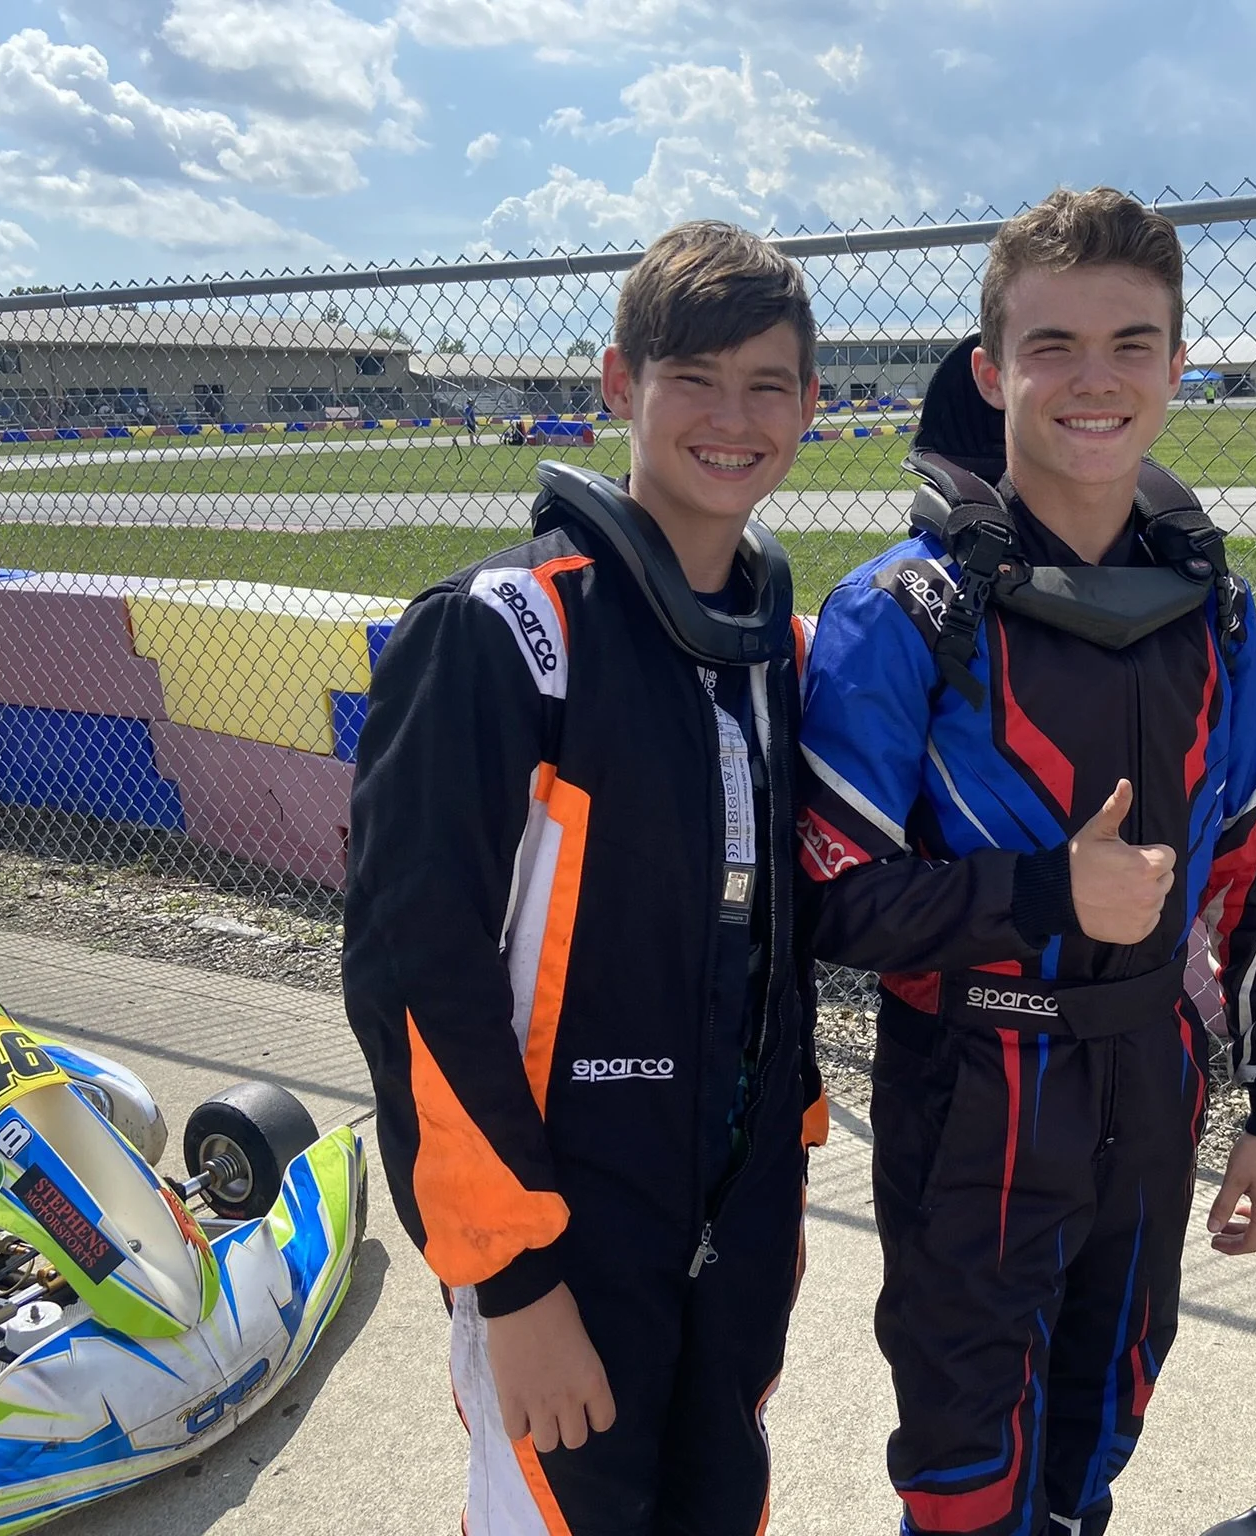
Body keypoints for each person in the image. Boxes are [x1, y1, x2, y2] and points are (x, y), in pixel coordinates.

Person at [798, 187, 1256, 1536]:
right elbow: (829, 901)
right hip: (975, 1086)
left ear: (1177, 366)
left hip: (1153, 1078)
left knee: (1101, 1428)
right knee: (967, 1467)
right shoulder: (898, 612)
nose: (1097, 380)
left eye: (1132, 344)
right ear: (992, 372)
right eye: (1055, 346)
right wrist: (1044, 893)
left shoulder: (1220, 608)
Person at [344, 220, 827, 1536]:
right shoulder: (507, 631)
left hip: (737, 1212)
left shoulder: (781, 650)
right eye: (695, 379)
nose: (733, 419)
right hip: (562, 1231)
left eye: (767, 385)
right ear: (620, 384)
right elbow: (409, 966)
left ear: (810, 405)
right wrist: (510, 1280)